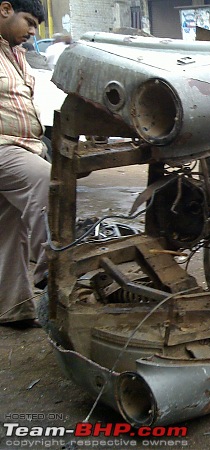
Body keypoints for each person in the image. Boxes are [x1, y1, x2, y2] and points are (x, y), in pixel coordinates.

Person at [0, 0, 49, 329]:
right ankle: (52, 269)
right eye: (29, 21)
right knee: (46, 181)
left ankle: (13, 308)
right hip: (3, 147)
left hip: (23, 146)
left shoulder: (16, 55)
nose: (32, 31)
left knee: (7, 228)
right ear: (5, 9)